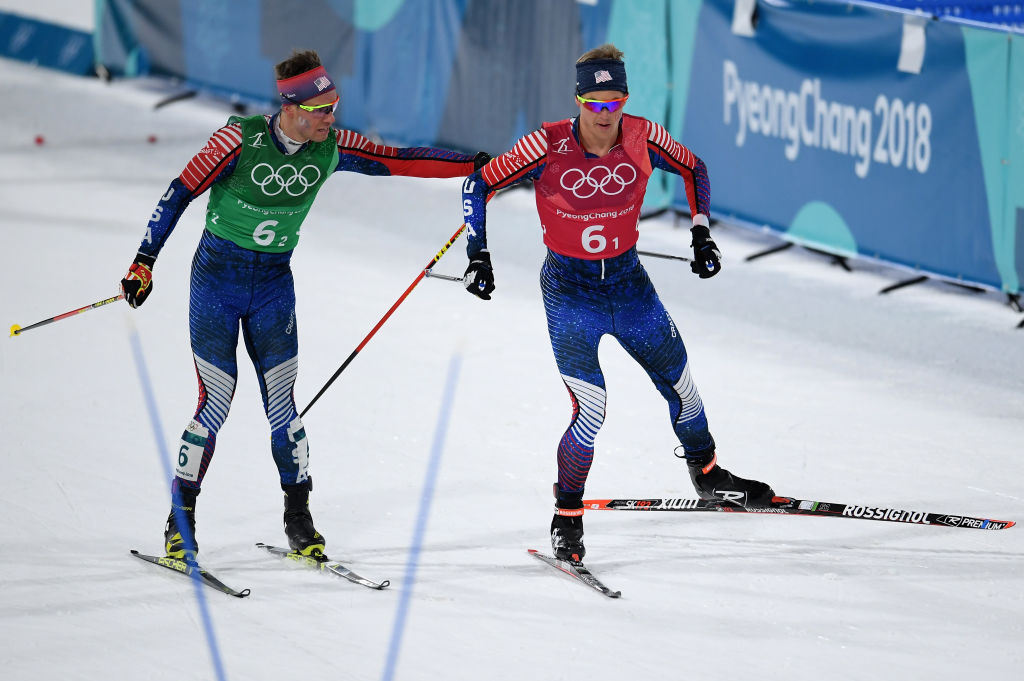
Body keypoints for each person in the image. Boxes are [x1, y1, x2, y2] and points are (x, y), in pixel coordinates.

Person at [120, 49, 490, 561]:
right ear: (291, 106)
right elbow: (180, 191)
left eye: (335, 106)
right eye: (322, 109)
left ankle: (299, 519)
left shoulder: (331, 147)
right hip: (216, 284)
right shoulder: (239, 139)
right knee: (217, 402)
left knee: (283, 408)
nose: (332, 118)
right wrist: (144, 260)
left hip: (273, 285)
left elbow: (400, 161)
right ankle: (179, 522)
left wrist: (473, 164)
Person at [459, 44, 773, 563]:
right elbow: (479, 184)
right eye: (594, 105)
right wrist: (478, 254)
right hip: (570, 292)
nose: (605, 117)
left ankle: (709, 473)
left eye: (614, 104)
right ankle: (567, 514)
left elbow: (695, 169)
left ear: (624, 100)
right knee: (592, 412)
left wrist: (701, 234)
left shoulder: (642, 135)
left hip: (629, 285)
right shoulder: (546, 143)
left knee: (681, 381)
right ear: (578, 100)